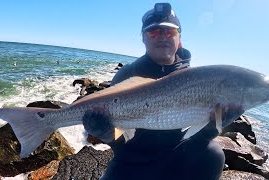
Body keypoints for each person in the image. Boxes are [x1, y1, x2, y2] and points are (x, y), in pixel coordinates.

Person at [83, 3, 225, 180]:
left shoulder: (194, 79)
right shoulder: (127, 75)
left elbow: (198, 136)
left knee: (214, 154)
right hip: (132, 155)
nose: (162, 37)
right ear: (143, 38)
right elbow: (119, 137)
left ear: (179, 38)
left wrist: (213, 128)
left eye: (170, 32)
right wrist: (105, 134)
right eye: (154, 32)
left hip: (180, 152)